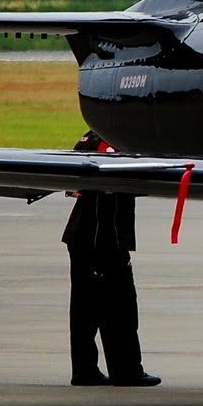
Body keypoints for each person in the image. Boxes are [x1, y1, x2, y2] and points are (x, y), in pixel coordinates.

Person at [64, 132, 160, 387]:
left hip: (82, 234)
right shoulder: (115, 141)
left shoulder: (91, 137)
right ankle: (126, 370)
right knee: (120, 304)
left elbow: (71, 181)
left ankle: (84, 369)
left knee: (84, 307)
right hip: (102, 237)